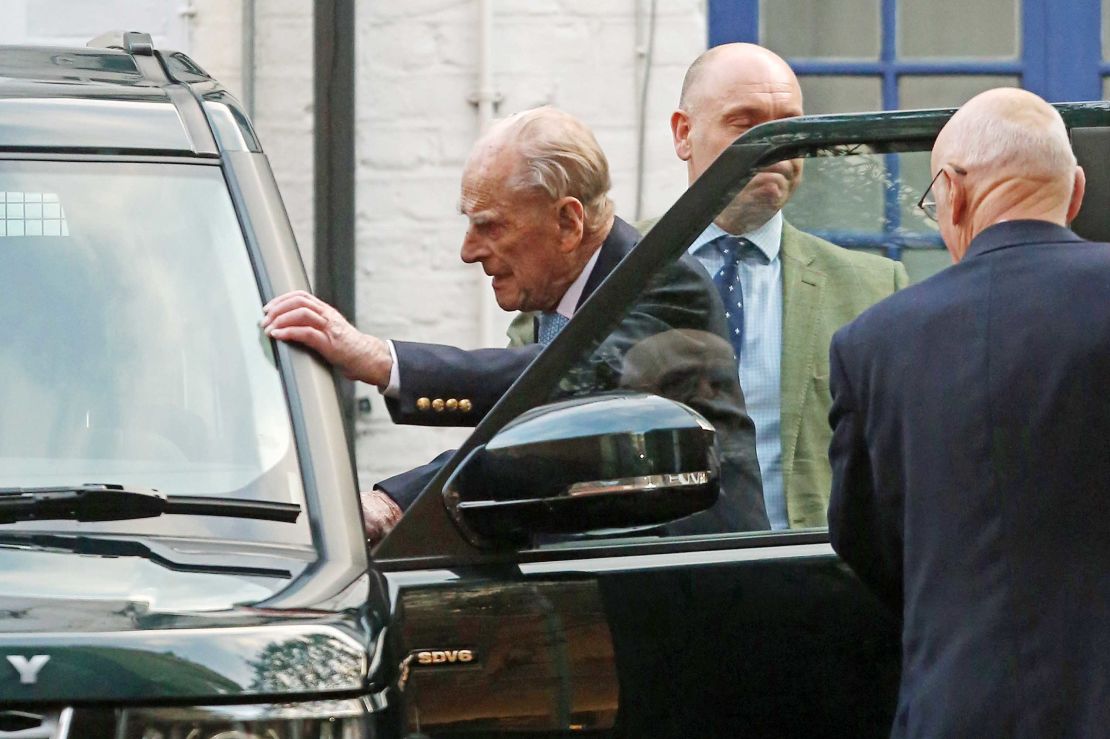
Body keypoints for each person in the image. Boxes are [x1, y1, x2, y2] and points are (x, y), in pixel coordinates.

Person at [263, 106, 768, 541]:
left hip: (695, 599)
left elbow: (559, 393)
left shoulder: (663, 281)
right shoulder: (552, 302)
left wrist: (381, 363)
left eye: (490, 225)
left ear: (568, 223)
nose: (468, 251)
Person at [827, 88, 1109, 737]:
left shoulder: (874, 343)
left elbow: (865, 540)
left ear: (951, 194)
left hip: (959, 709)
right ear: (1075, 191)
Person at [668, 43, 909, 530]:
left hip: (809, 582)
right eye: (747, 123)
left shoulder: (875, 289)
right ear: (684, 134)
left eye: (789, 125)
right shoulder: (611, 273)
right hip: (647, 579)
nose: (777, 145)